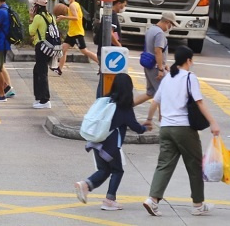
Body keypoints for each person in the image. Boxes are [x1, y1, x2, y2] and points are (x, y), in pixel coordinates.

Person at [142, 46, 220, 217]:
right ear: (188, 60)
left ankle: (152, 200)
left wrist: (149, 120)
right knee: (194, 166)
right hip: (184, 129)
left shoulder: (167, 78)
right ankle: (198, 204)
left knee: (164, 165)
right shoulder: (189, 77)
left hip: (166, 129)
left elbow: (155, 101)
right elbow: (199, 102)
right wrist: (213, 123)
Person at [74, 73, 149, 211]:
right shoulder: (124, 108)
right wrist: (145, 128)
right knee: (117, 170)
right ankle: (109, 200)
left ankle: (86, 185)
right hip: (110, 146)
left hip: (96, 141)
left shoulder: (105, 100)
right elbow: (135, 127)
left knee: (104, 169)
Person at [55, 0, 98, 74]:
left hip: (77, 33)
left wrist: (63, 17)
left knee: (84, 51)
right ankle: (59, 68)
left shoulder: (72, 5)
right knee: (63, 49)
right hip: (72, 33)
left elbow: (76, 17)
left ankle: (101, 64)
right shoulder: (76, 4)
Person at [27, 0, 55, 109]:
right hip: (49, 47)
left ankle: (45, 100)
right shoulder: (51, 16)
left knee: (42, 72)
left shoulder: (38, 17)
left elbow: (31, 31)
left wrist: (31, 17)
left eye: (34, 5)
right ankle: (39, 97)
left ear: (37, 6)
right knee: (38, 70)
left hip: (41, 47)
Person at [142, 11, 178, 99]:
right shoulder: (160, 33)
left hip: (148, 64)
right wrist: (160, 68)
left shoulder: (151, 29)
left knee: (150, 93)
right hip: (155, 67)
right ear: (167, 22)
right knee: (162, 95)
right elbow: (158, 51)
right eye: (171, 25)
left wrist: (163, 64)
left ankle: (126, 107)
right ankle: (162, 113)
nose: (171, 27)